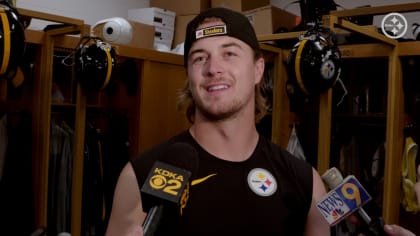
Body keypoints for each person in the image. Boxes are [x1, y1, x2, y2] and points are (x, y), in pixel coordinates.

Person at [106, 7, 328, 236]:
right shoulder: (139, 176)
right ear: (189, 76)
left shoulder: (306, 183)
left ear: (258, 69)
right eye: (200, 58)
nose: (213, 69)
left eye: (229, 54)